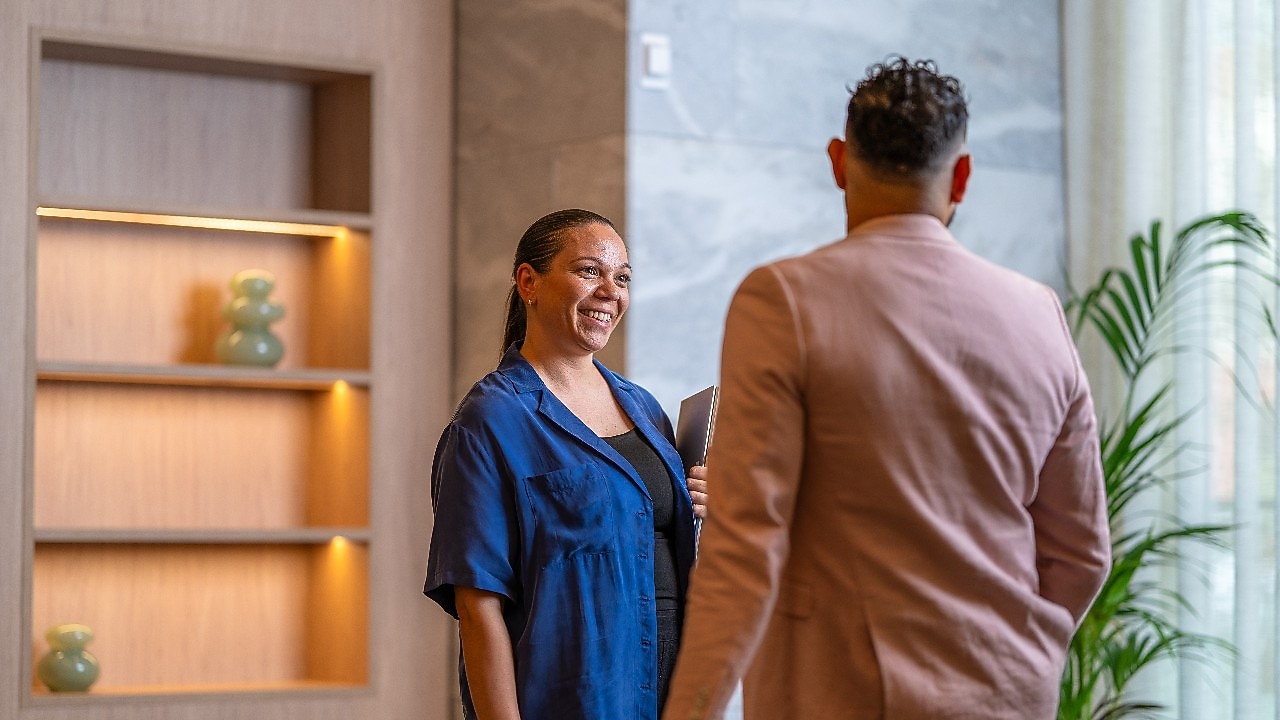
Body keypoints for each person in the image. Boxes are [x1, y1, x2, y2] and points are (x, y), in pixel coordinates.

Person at [661, 57, 1111, 720]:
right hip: (1009, 694)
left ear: (840, 161)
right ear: (962, 175)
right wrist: (1016, 650)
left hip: (837, 692)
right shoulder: (1038, 312)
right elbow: (1082, 552)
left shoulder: (783, 300)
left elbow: (746, 549)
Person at [424, 208, 709, 719]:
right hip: (574, 698)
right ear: (528, 282)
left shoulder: (644, 407)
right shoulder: (490, 421)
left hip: (675, 691)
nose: (611, 291)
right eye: (588, 271)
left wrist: (705, 505)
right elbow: (478, 604)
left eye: (622, 277)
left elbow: (655, 543)